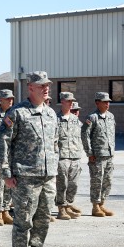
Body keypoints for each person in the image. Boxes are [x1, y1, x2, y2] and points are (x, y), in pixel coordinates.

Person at [0, 71, 59, 247]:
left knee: (43, 221)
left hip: (47, 177)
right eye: (41, 85)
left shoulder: (50, 114)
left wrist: (54, 169)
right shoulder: (17, 113)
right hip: (25, 177)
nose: (46, 88)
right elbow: (2, 144)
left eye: (47, 85)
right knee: (23, 220)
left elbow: (54, 144)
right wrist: (5, 173)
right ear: (30, 87)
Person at [81, 92, 116, 217]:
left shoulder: (111, 116)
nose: (108, 104)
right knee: (97, 181)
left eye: (108, 102)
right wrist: (89, 152)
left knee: (108, 181)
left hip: (109, 155)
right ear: (97, 103)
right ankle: (95, 206)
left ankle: (102, 204)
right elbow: (85, 136)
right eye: (105, 102)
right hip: (97, 156)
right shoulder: (92, 118)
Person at [54, 92, 82, 220]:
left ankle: (68, 205)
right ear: (62, 102)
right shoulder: (55, 119)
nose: (71, 103)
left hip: (75, 156)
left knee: (73, 184)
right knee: (62, 184)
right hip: (62, 157)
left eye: (72, 101)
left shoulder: (75, 119)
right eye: (68, 101)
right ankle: (61, 209)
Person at [0, 89, 15, 225]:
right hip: (0, 155)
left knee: (9, 185)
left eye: (11, 98)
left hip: (12, 155)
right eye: (7, 99)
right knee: (0, 185)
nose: (10, 101)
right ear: (1, 100)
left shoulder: (13, 114)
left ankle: (6, 210)